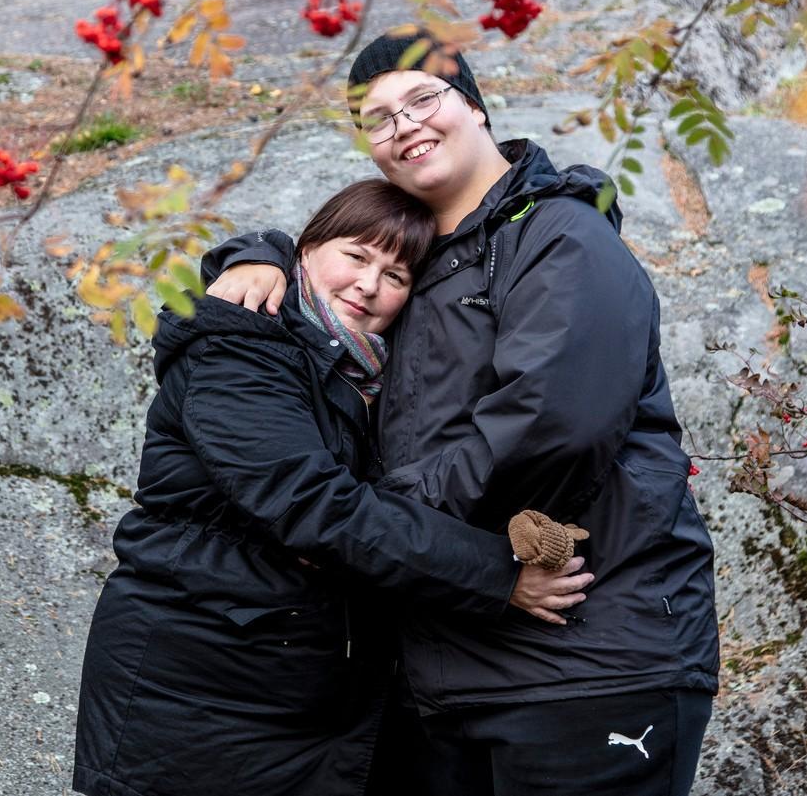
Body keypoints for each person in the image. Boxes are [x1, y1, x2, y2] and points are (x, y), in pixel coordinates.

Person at [202, 32, 721, 796]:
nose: (402, 124)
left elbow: (550, 427)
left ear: (474, 106)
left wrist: (370, 526)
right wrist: (257, 254)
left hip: (586, 663)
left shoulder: (557, 236)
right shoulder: (415, 269)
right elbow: (327, 273)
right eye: (376, 118)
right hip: (444, 678)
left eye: (422, 98)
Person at [72, 179, 594, 796]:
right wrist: (494, 575)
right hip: (198, 684)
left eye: (397, 275)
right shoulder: (239, 348)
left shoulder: (371, 380)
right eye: (356, 255)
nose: (370, 285)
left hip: (297, 695)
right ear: (308, 249)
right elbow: (313, 504)